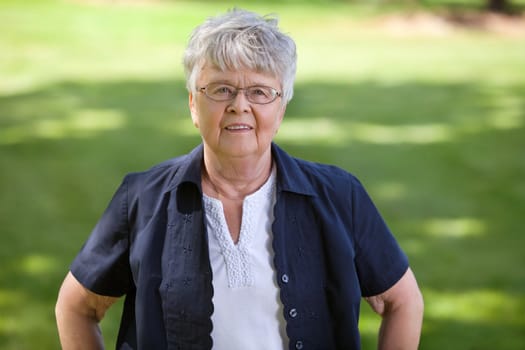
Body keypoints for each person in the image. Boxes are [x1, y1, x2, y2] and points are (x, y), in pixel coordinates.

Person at [55, 8, 423, 350]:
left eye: (260, 91)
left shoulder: (340, 196)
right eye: (220, 89)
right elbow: (75, 307)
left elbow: (403, 300)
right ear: (193, 106)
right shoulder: (142, 199)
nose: (239, 105)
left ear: (280, 109)